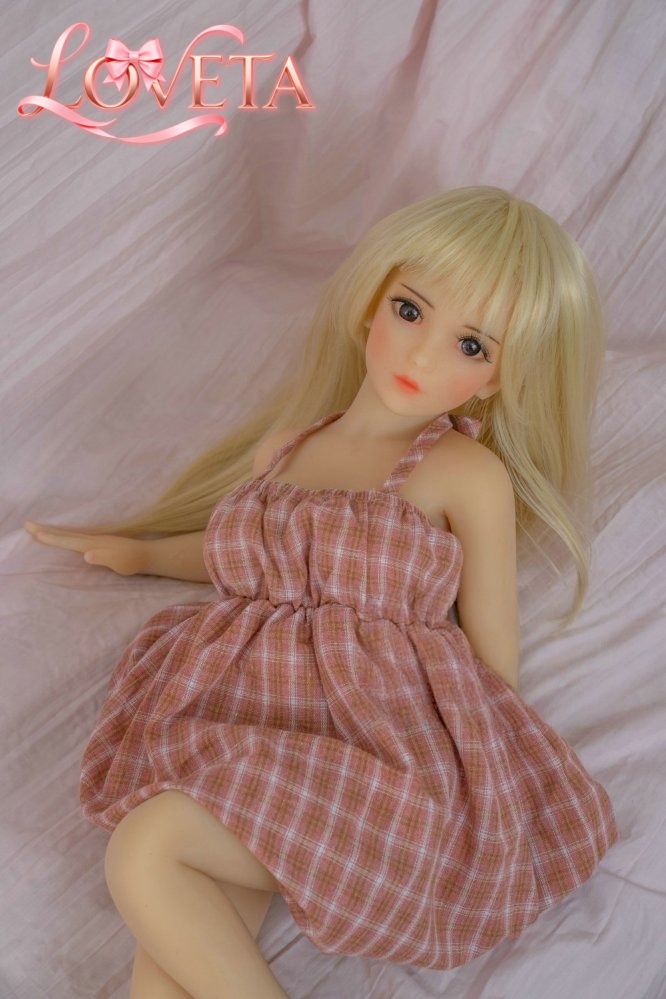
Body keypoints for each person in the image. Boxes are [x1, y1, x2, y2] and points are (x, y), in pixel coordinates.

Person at [24, 185, 619, 999]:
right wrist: (141, 551)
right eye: (410, 311)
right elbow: (247, 553)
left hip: (369, 757)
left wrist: (484, 787)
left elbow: (494, 656)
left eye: (470, 345)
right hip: (241, 722)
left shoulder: (463, 473)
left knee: (149, 846)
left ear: (496, 380)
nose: (421, 356)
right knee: (167, 964)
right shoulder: (283, 450)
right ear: (371, 301)